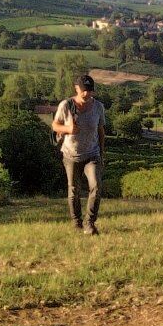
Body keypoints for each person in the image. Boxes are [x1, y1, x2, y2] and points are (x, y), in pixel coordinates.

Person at [52, 73, 106, 235]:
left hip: (92, 153)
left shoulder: (98, 107)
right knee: (74, 189)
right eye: (83, 90)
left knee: (96, 186)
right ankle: (76, 222)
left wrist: (102, 153)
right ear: (76, 89)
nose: (86, 93)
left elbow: (101, 131)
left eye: (89, 90)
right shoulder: (66, 105)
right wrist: (68, 129)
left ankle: (89, 223)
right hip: (71, 154)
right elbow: (55, 125)